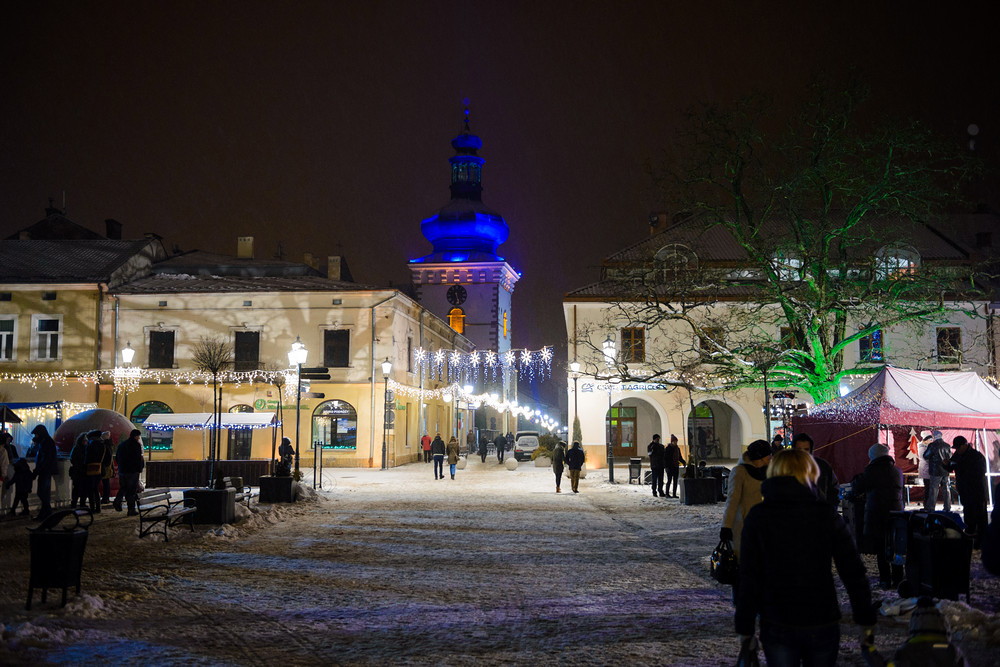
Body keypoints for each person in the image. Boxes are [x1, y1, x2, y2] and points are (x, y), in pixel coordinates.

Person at [736, 449, 876, 667]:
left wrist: (745, 627)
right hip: (821, 614)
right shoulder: (825, 515)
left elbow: (749, 574)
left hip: (777, 617)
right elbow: (853, 571)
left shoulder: (759, 516)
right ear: (810, 472)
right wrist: (865, 619)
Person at [852, 443, 904, 589]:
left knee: (882, 549)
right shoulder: (897, 470)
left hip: (878, 514)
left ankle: (885, 579)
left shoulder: (873, 470)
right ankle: (899, 578)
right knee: (894, 547)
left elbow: (858, 486)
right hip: (897, 513)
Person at [721, 439, 771, 560]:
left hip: (766, 524)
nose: (771, 457)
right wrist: (726, 526)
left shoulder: (769, 471)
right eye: (768, 455)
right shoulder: (739, 472)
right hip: (745, 525)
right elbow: (732, 501)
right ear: (761, 457)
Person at [945, 436, 988, 548]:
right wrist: (946, 464)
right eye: (956, 448)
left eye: (959, 448)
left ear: (965, 445)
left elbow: (978, 473)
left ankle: (981, 541)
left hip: (977, 491)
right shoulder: (958, 455)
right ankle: (970, 539)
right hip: (964, 490)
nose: (957, 450)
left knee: (979, 516)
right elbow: (950, 467)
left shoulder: (977, 456)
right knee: (968, 515)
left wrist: (959, 466)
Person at [790, 432, 839, 508]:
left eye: (806, 449)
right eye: (799, 450)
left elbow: (833, 488)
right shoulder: (786, 468)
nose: (803, 453)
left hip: (820, 513)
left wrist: (830, 508)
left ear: (811, 450)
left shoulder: (822, 466)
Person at [30, 424, 58, 520]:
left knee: (42, 492)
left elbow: (45, 459)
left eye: (36, 435)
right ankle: (46, 512)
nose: (35, 436)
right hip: (45, 470)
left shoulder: (46, 443)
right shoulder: (46, 442)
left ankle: (46, 512)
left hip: (45, 470)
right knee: (44, 493)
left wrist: (37, 471)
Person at [115, 429, 145, 515]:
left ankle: (118, 500)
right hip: (133, 471)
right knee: (131, 490)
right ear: (136, 436)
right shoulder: (136, 445)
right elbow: (138, 459)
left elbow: (117, 457)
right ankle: (131, 509)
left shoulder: (122, 444)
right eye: (138, 436)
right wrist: (139, 468)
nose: (139, 438)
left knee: (123, 487)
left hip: (123, 470)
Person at [922, 429, 951, 512]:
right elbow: (950, 457)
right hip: (945, 470)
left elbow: (926, 456)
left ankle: (931, 507)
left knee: (934, 489)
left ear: (934, 436)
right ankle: (947, 507)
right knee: (946, 489)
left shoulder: (932, 445)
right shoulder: (947, 445)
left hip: (935, 470)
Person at [84, 430, 106, 513]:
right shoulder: (103, 445)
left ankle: (92, 507)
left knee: (91, 489)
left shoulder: (91, 445)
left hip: (91, 468)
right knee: (96, 489)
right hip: (99, 468)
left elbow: (88, 457)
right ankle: (98, 507)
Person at [69, 433, 89, 509]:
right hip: (78, 471)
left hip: (83, 471)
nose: (85, 442)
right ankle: (74, 503)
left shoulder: (83, 448)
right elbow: (73, 459)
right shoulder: (77, 449)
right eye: (84, 440)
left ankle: (82, 503)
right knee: (77, 488)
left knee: (83, 488)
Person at [664, 434, 686, 498]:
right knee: (669, 480)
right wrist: (666, 467)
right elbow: (665, 458)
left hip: (675, 466)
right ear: (672, 441)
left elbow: (680, 457)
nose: (676, 442)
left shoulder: (677, 449)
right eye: (675, 441)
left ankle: (674, 494)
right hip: (670, 466)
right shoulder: (668, 448)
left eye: (676, 441)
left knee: (675, 480)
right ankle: (667, 493)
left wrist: (683, 462)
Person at [100, 431, 115, 505]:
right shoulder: (109, 445)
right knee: (106, 483)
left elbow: (107, 457)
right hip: (108, 467)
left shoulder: (105, 445)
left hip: (105, 467)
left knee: (105, 483)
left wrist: (104, 464)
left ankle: (105, 498)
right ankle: (106, 498)